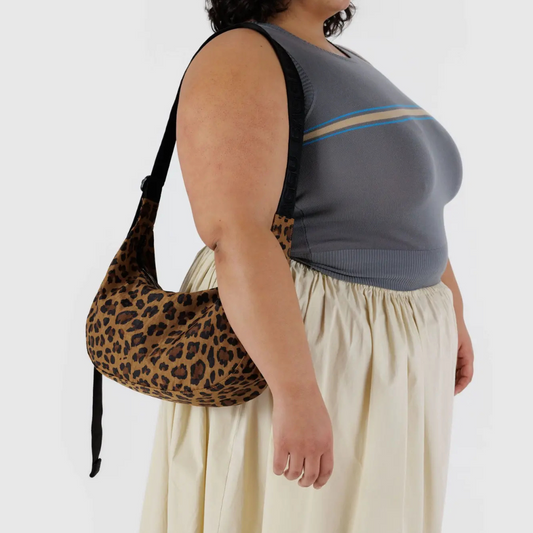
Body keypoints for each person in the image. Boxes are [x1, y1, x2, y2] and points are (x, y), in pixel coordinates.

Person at [139, 1, 474, 532]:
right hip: (311, 355)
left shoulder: (343, 61)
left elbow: (404, 207)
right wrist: (295, 393)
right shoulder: (242, 55)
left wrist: (451, 309)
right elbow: (236, 233)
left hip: (384, 367)